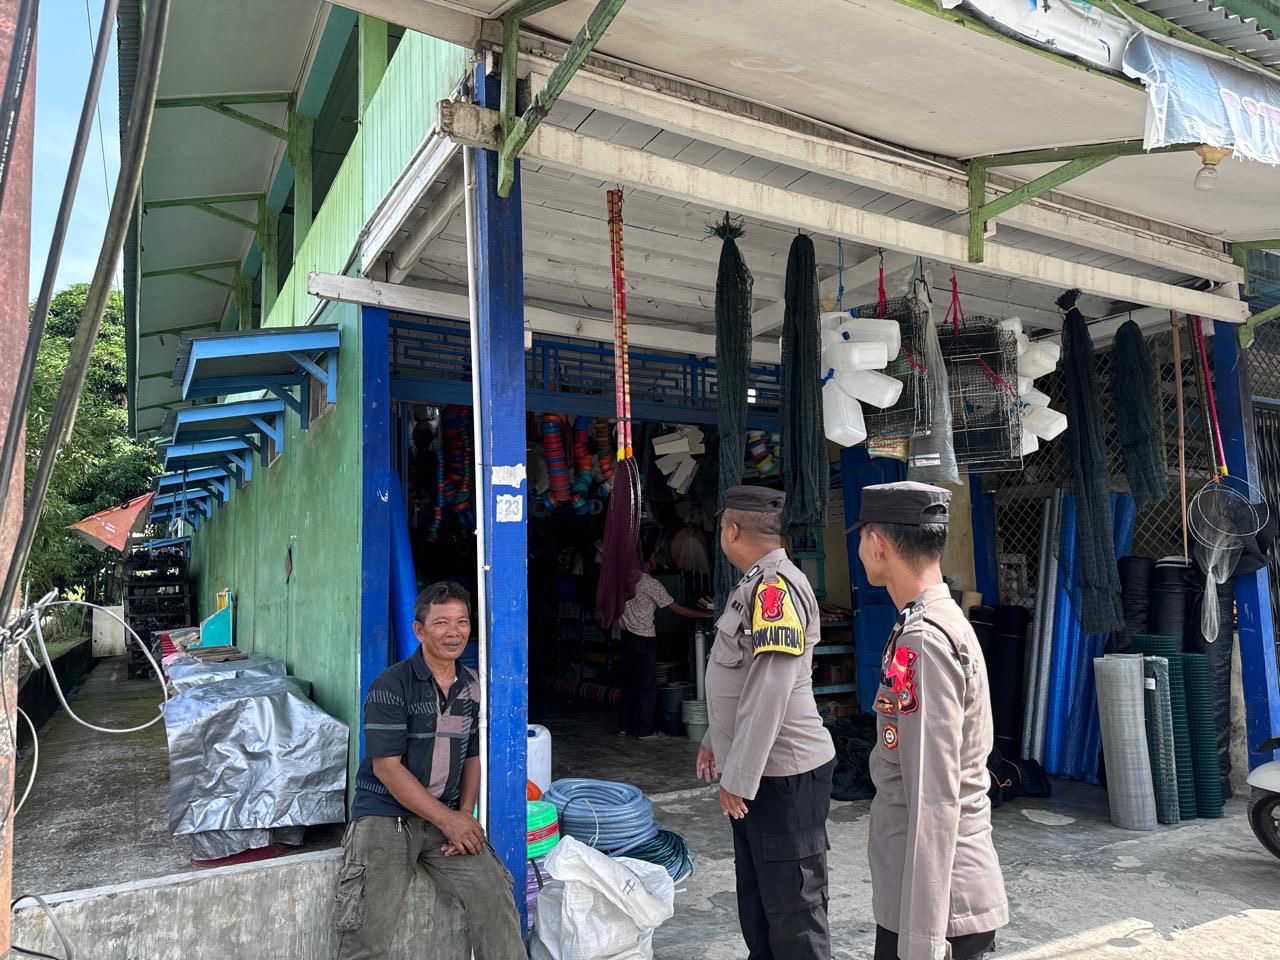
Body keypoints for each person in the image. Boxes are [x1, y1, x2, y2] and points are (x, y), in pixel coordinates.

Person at [852, 481, 1008, 960]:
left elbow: (934, 797)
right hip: (926, 893)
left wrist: (922, 939)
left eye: (861, 538)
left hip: (936, 905)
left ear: (878, 543)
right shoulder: (930, 621)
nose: (860, 550)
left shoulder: (924, 639)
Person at [333, 581, 525, 960]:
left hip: (444, 818)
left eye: (462, 622)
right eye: (441, 623)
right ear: (419, 630)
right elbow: (387, 769)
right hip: (386, 818)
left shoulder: (471, 685)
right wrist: (449, 820)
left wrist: (464, 815)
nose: (454, 632)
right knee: (368, 931)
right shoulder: (391, 686)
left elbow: (471, 755)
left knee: (495, 894)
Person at [697, 485, 836, 960]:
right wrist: (716, 737)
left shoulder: (775, 589)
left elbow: (770, 689)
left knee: (793, 909)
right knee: (759, 901)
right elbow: (742, 677)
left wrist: (737, 775)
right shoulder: (754, 584)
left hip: (783, 776)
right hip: (762, 773)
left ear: (732, 531)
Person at [619, 542, 712, 740]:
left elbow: (613, 606)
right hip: (645, 639)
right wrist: (705, 614)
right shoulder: (650, 584)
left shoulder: (623, 580)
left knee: (629, 683)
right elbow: (678, 610)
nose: (655, 560)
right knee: (646, 686)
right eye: (653, 557)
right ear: (646, 561)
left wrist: (620, 620)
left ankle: (625, 727)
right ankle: (646, 731)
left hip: (627, 638)